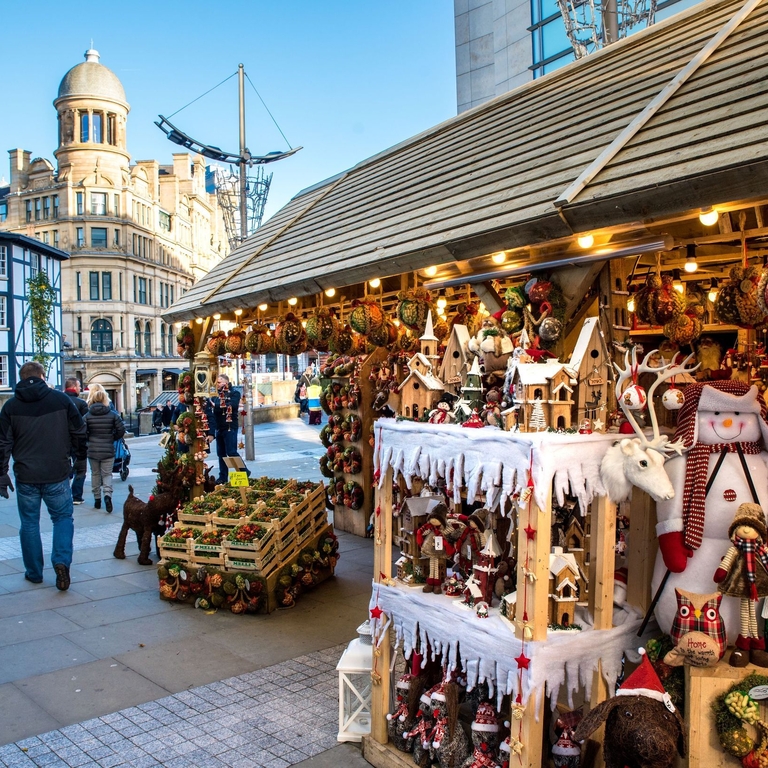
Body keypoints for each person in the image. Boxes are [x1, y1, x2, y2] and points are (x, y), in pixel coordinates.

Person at [0, 361, 87, 590]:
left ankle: (34, 572)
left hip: (26, 474)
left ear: (21, 377)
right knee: (62, 518)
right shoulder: (61, 400)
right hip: (57, 471)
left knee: (29, 523)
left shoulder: (10, 407)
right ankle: (61, 561)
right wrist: (79, 459)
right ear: (42, 375)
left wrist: (2, 473)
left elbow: (3, 444)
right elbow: (79, 431)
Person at [84, 385, 125, 513]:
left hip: (93, 450)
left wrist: (88, 440)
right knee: (107, 474)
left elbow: (82, 431)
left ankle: (97, 499)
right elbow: (121, 429)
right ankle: (107, 495)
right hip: (108, 448)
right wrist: (112, 438)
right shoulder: (112, 415)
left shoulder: (87, 416)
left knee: (95, 474)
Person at [211, 374, 245, 484]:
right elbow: (215, 406)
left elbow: (233, 405)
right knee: (221, 453)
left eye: (219, 382)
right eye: (217, 382)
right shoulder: (215, 395)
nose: (217, 384)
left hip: (230, 427)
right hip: (219, 427)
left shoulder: (235, 393)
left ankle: (243, 472)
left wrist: (216, 405)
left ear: (226, 383)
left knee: (231, 451)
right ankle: (223, 477)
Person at [64, 377, 88, 504]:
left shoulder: (59, 402)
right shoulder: (81, 403)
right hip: (78, 441)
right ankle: (77, 496)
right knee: (81, 469)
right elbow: (85, 424)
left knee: (64, 468)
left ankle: (65, 493)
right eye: (79, 386)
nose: (80, 388)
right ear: (73, 387)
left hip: (62, 441)